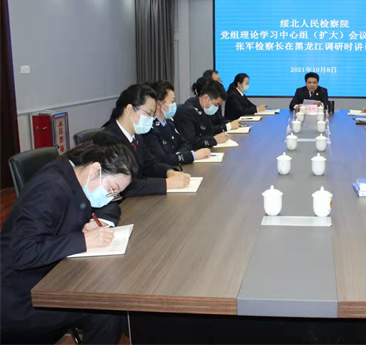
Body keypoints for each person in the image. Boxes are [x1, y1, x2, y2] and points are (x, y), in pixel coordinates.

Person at [1, 134, 137, 344]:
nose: (111, 196)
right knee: (106, 311)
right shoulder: (50, 188)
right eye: (112, 190)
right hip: (21, 294)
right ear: (95, 170)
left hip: (53, 273)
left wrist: (100, 221)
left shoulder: (76, 176)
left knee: (110, 294)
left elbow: (110, 206)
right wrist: (84, 241)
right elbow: (23, 252)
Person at [103, 84, 191, 196]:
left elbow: (150, 164)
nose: (151, 119)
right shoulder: (108, 140)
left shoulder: (136, 136)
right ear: (129, 109)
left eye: (153, 114)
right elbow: (124, 186)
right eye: (149, 113)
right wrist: (166, 184)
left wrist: (169, 172)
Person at [144, 81, 210, 167]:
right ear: (159, 104)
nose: (174, 104)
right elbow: (163, 160)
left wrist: (178, 156)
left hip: (178, 166)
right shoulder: (150, 129)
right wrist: (193, 155)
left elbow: (186, 143)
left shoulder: (169, 122)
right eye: (172, 101)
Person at [174, 80, 229, 149]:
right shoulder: (187, 111)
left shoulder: (205, 110)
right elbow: (190, 142)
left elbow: (209, 132)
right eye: (216, 104)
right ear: (206, 98)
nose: (216, 108)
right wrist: (214, 140)